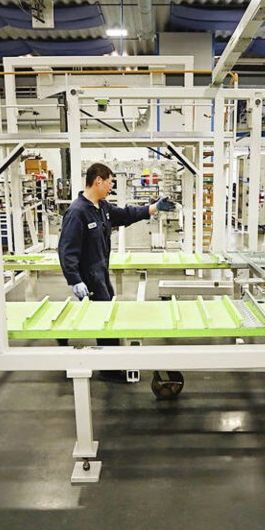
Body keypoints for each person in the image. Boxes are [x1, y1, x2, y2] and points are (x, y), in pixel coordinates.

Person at [57, 162, 176, 380]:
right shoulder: (77, 212)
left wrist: (154, 207)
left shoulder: (102, 207)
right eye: (110, 182)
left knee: (101, 312)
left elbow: (125, 214)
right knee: (105, 317)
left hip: (102, 271)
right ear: (98, 180)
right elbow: (66, 250)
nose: (111, 187)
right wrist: (74, 279)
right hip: (89, 276)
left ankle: (64, 336)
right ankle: (110, 369)